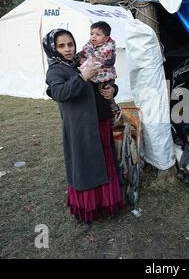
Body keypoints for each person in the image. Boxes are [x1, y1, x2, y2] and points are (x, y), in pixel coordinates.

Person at [43, 28, 125, 225]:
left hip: (100, 121)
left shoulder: (81, 61)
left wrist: (112, 89)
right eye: (61, 46)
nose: (68, 49)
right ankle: (90, 207)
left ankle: (107, 203)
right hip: (82, 129)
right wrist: (82, 76)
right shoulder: (55, 70)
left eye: (70, 44)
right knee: (86, 167)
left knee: (105, 163)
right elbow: (59, 92)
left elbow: (103, 80)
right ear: (52, 48)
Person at [78, 21, 120, 121]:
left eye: (98, 34)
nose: (94, 37)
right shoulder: (90, 45)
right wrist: (80, 58)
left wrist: (92, 60)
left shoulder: (108, 49)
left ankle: (113, 107)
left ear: (106, 38)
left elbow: (107, 61)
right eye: (92, 34)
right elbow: (82, 53)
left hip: (105, 77)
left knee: (105, 91)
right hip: (94, 77)